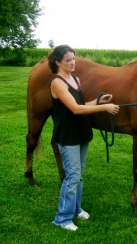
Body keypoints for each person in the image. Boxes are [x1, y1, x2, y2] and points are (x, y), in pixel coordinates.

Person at [48, 45, 119, 231]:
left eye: (73, 58)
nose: (72, 63)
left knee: (79, 175)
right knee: (72, 176)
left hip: (82, 133)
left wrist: (99, 101)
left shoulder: (75, 79)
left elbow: (82, 104)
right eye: (68, 60)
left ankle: (77, 209)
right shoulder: (57, 83)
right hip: (68, 135)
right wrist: (104, 109)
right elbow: (75, 109)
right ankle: (62, 218)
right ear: (58, 62)